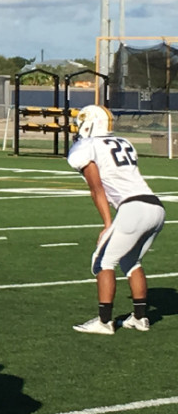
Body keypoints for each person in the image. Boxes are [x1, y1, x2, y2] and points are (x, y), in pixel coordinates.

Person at [66, 105, 164, 334]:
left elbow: (96, 188)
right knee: (131, 261)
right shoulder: (124, 142)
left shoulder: (86, 146)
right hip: (155, 206)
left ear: (89, 123)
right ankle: (139, 318)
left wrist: (108, 223)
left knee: (102, 262)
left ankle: (104, 321)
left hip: (133, 208)